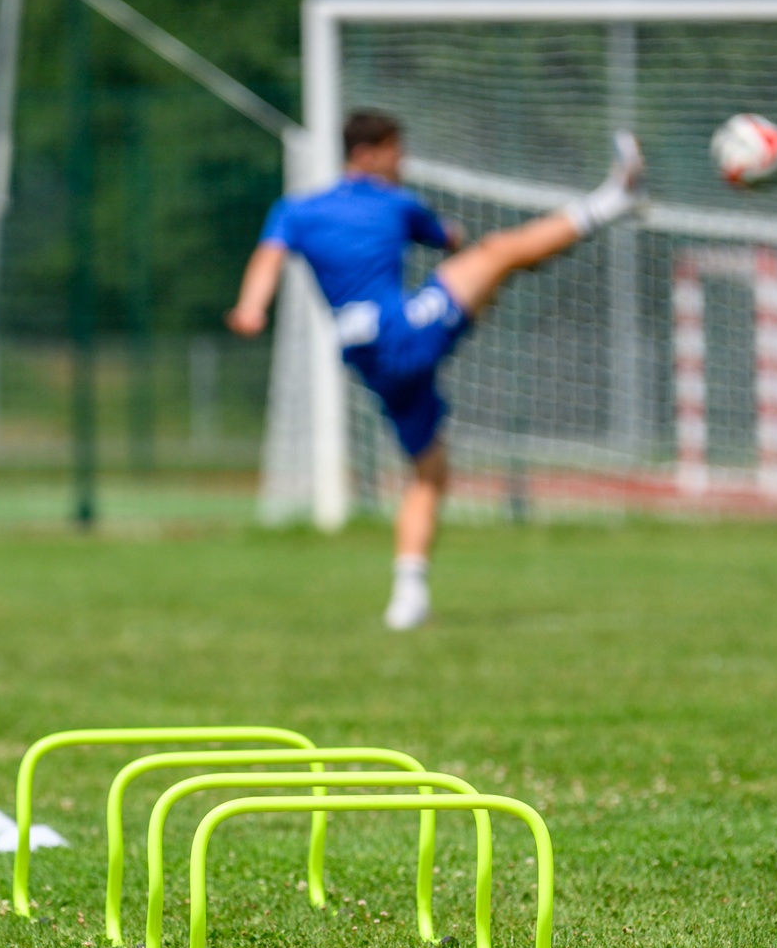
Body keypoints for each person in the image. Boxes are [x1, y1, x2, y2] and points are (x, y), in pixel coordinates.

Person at [228, 110, 644, 629]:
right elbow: (452, 239)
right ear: (369, 153)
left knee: (429, 471)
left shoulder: (295, 210)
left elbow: (268, 259)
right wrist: (470, 244)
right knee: (498, 253)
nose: (403, 162)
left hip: (367, 358)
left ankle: (409, 595)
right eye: (396, 151)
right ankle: (613, 199)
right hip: (398, 330)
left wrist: (251, 307)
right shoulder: (398, 204)